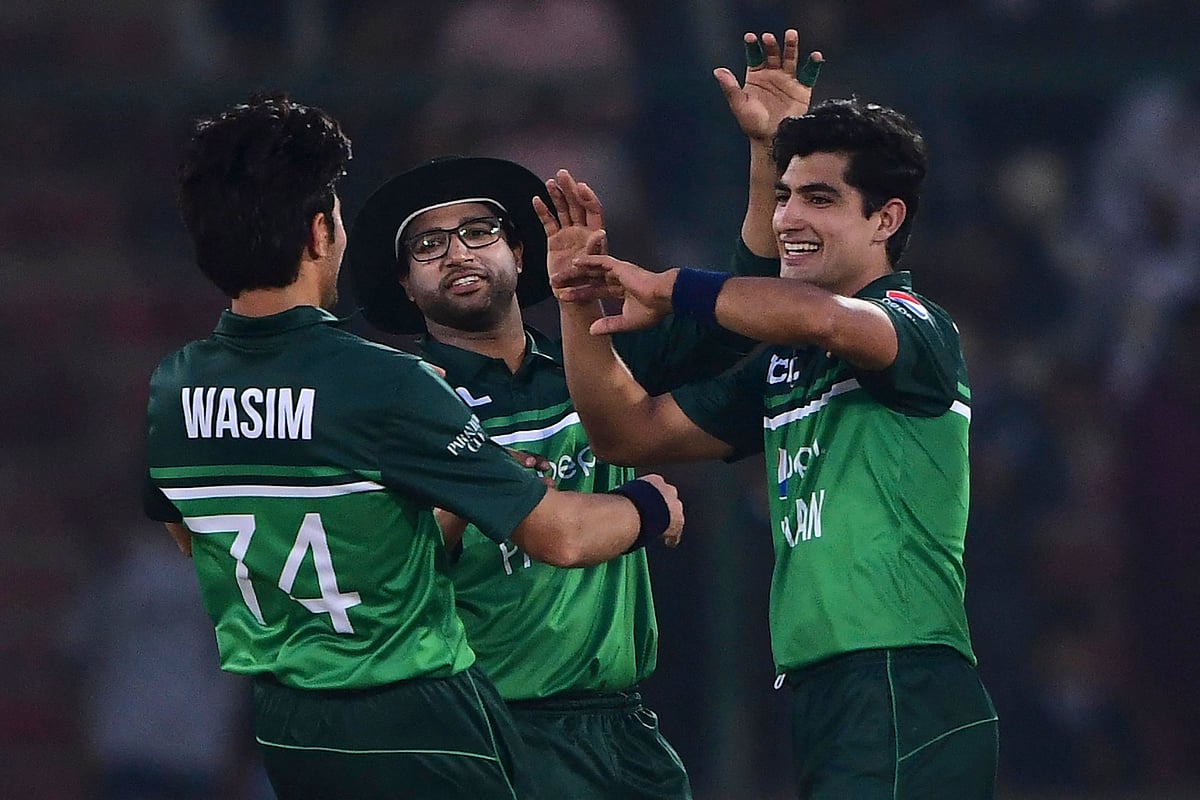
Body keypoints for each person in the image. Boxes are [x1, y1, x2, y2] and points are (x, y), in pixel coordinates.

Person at [142, 91, 685, 800]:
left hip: (290, 727)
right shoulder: (384, 383)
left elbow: (191, 535)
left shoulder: (175, 387)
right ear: (317, 233)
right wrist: (649, 503)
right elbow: (558, 534)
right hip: (415, 711)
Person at [345, 31, 822, 800]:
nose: (458, 253)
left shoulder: (598, 363)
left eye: (478, 231)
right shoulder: (390, 403)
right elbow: (374, 570)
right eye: (428, 244)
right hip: (485, 735)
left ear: (520, 255)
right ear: (402, 286)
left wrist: (770, 156)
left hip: (624, 732)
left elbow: (746, 302)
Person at [547, 97, 1000, 798]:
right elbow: (625, 432)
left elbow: (824, 318)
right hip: (829, 692)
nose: (788, 219)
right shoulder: (786, 366)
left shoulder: (918, 328)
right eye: (784, 197)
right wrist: (578, 303)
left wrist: (671, 289)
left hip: (901, 681)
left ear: (886, 219)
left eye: (820, 199)